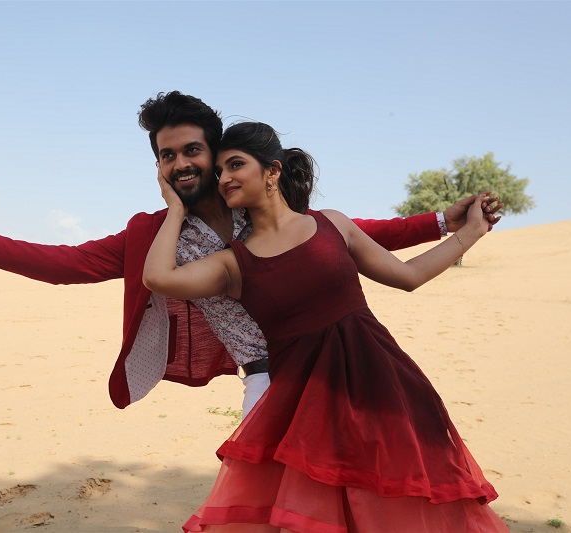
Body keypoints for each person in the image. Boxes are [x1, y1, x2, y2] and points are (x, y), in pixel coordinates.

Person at [0, 91, 502, 416]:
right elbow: (67, 264)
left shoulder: (263, 205)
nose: (180, 163)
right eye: (166, 155)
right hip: (266, 382)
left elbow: (350, 236)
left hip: (342, 367)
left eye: (191, 151)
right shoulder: (154, 236)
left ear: (217, 153)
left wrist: (439, 222)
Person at [142, 121, 509, 532]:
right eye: (221, 170)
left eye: (236, 165)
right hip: (304, 407)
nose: (224, 178)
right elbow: (158, 277)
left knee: (390, 511)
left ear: (272, 171)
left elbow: (409, 276)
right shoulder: (234, 263)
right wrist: (175, 209)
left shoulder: (332, 224)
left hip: (382, 385)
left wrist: (472, 231)